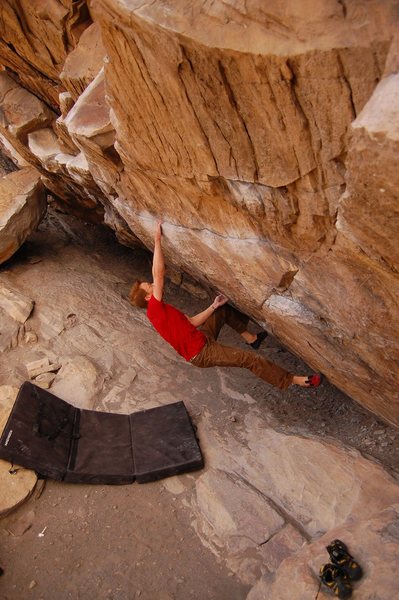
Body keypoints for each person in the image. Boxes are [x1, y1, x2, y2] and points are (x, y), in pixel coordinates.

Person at [129, 222, 322, 390]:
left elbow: (192, 322)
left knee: (221, 308)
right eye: (150, 286)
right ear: (147, 298)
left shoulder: (162, 312)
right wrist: (156, 241)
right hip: (202, 353)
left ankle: (252, 338)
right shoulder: (154, 309)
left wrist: (213, 306)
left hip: (201, 338)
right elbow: (159, 273)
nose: (153, 285)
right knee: (248, 360)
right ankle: (294, 380)